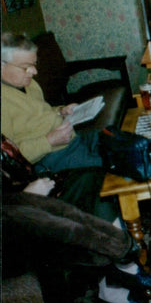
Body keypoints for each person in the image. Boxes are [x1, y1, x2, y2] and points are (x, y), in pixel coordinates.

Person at [2, 150, 151, 303]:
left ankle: (116, 272)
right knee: (62, 223)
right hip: (13, 236)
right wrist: (27, 197)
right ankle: (124, 261)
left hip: (25, 203)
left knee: (92, 178)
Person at [1, 32, 115, 220]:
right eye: (25, 67)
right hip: (50, 158)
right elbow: (10, 161)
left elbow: (37, 114)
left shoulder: (27, 83)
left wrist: (61, 111)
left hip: (70, 141)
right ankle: (119, 235)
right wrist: (49, 141)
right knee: (110, 166)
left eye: (34, 65)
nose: (34, 72)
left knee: (114, 138)